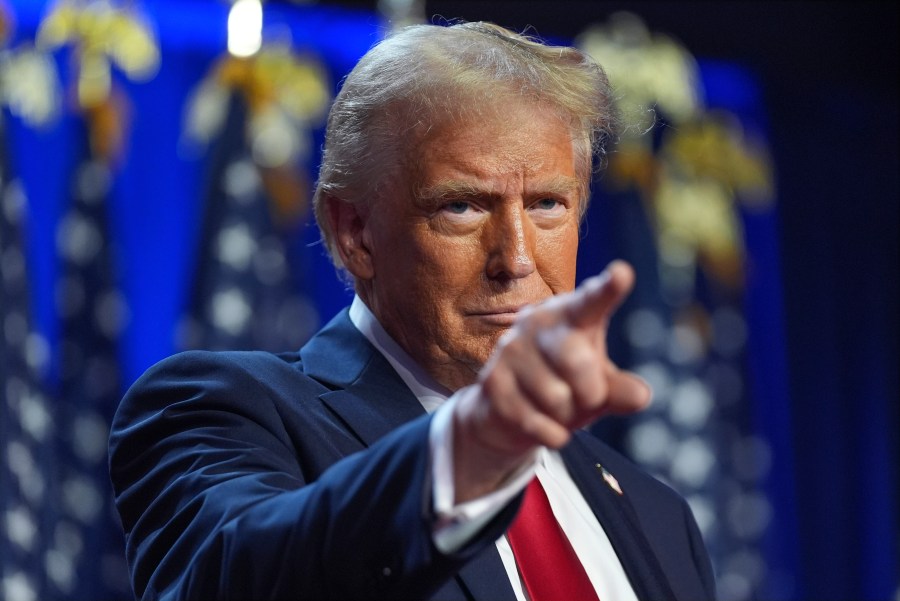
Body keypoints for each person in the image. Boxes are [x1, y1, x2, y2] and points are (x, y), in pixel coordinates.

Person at [109, 21, 715, 601]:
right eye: (462, 207)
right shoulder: (217, 411)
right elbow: (236, 578)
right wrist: (470, 454)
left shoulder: (660, 517)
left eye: (547, 204)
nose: (516, 259)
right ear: (355, 233)